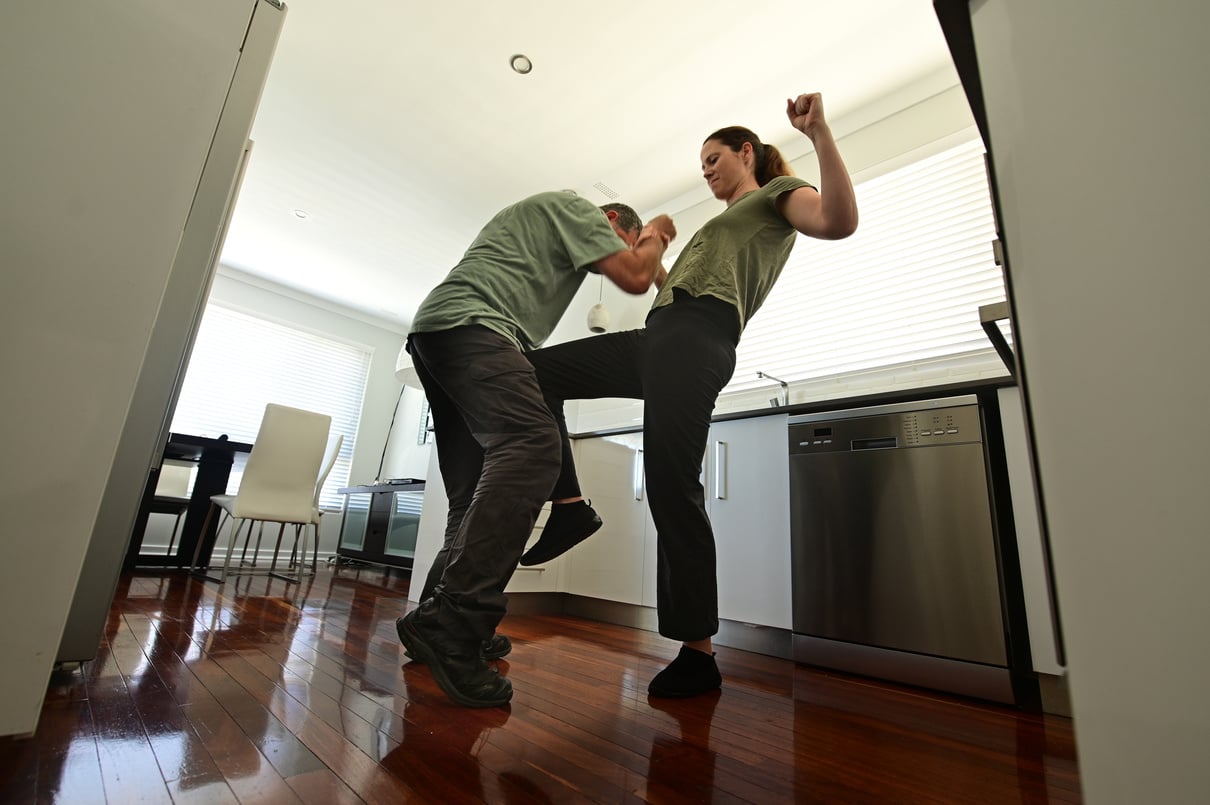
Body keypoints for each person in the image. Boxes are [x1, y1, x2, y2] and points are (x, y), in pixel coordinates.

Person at [520, 92, 858, 697]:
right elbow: (669, 290)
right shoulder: (721, 223)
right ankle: (569, 506)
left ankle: (697, 653)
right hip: (661, 334)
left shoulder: (776, 195)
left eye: (713, 158)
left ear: (746, 152)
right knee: (533, 371)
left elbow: (838, 222)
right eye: (700, 164)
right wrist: (657, 261)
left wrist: (820, 134)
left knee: (671, 486)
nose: (705, 170)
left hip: (698, 339)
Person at [395, 190, 676, 708]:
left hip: (437, 332)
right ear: (613, 221)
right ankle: (454, 625)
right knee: (533, 446)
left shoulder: (537, 219)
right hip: (475, 328)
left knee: (470, 494)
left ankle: (436, 620)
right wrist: (655, 236)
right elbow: (635, 276)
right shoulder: (575, 209)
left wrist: (664, 276)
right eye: (625, 240)